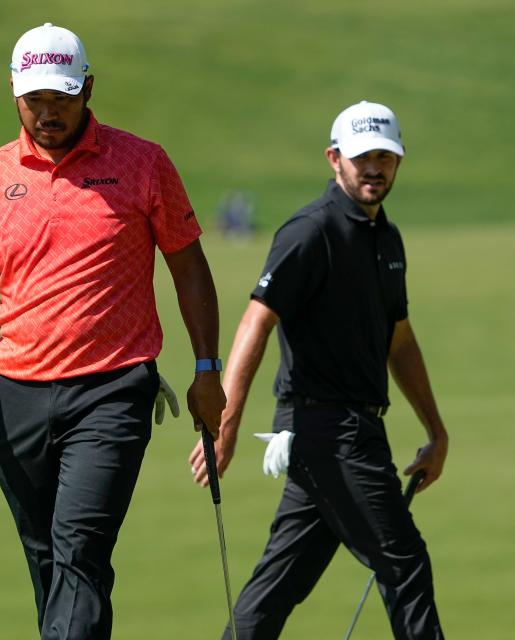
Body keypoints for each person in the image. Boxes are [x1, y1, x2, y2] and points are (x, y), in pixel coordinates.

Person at [0, 23, 226, 640]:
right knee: (51, 562)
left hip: (112, 390)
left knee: (79, 551)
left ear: (89, 88)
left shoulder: (142, 163)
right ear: (13, 94)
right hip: (17, 393)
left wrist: (207, 369)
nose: (48, 113)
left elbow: (190, 268)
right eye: (35, 100)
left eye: (62, 99)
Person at [188, 101, 448, 639]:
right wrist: (228, 422)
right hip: (329, 431)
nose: (374, 168)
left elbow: (398, 339)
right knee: (405, 563)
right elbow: (255, 323)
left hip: (350, 431)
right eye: (362, 157)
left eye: (385, 156)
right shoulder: (311, 231)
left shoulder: (386, 239)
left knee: (280, 583)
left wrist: (435, 430)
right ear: (334, 159)